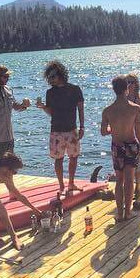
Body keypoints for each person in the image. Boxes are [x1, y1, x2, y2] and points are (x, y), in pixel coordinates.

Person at [100, 75, 140, 222]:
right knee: (129, 180)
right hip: (131, 145)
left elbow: (103, 132)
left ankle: (120, 213)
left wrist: (112, 128)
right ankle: (128, 212)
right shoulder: (135, 108)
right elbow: (139, 130)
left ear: (114, 90)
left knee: (119, 181)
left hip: (117, 146)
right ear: (126, 89)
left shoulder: (107, 110)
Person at [36, 60, 85, 193]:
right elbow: (51, 112)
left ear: (60, 75)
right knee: (58, 159)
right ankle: (61, 186)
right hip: (56, 131)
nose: (50, 80)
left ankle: (71, 183)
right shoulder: (50, 92)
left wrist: (82, 128)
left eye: (53, 76)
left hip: (72, 130)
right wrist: (43, 107)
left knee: (74, 157)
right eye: (49, 77)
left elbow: (81, 109)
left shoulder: (75, 89)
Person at [125, 73, 140, 208]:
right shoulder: (122, 97)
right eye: (127, 82)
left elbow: (134, 110)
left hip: (136, 129)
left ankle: (138, 188)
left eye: (132, 82)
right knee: (126, 163)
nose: (130, 84)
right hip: (125, 131)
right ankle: (128, 191)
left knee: (138, 163)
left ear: (136, 84)